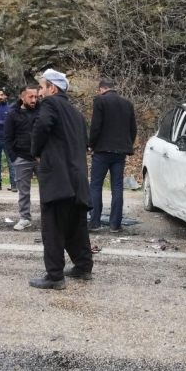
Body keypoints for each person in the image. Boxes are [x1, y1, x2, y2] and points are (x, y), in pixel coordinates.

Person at [29, 69, 93, 290]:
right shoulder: (76, 112)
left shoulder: (50, 104)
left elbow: (42, 126)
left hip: (58, 178)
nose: (39, 92)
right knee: (76, 226)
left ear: (52, 89)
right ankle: (83, 266)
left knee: (53, 229)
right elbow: (85, 142)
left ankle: (54, 276)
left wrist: (35, 151)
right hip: (77, 179)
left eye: (42, 87)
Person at [88, 78, 137, 233]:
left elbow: (95, 126)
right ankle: (115, 225)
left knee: (96, 186)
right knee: (117, 187)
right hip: (120, 153)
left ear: (102, 89)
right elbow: (133, 129)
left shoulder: (100, 102)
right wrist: (126, 144)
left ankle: (95, 222)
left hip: (102, 151)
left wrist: (91, 145)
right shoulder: (127, 104)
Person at [4, 84, 40, 230]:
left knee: (48, 190)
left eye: (36, 96)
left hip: (40, 158)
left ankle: (49, 218)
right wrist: (14, 158)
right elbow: (7, 138)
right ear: (22, 97)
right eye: (31, 96)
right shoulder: (13, 114)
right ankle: (25, 218)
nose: (34, 100)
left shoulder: (42, 111)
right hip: (22, 158)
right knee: (24, 192)